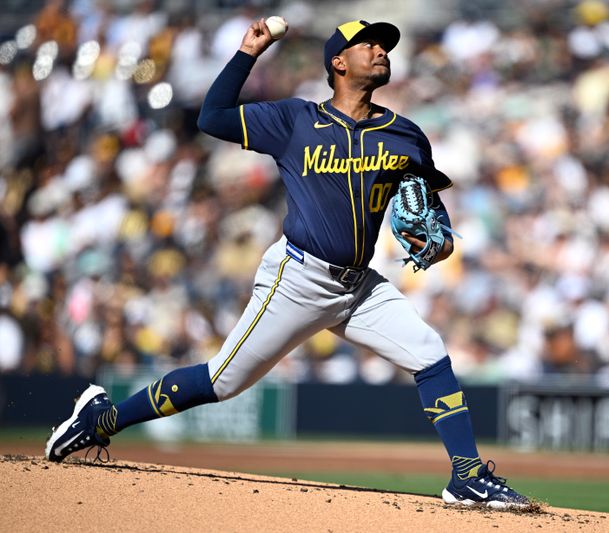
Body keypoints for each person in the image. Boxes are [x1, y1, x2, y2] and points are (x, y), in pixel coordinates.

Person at [44, 17, 530, 509]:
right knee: (222, 381)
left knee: (429, 352)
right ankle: (101, 420)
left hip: (359, 288)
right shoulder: (295, 120)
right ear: (338, 62)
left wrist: (440, 242)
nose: (381, 49)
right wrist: (247, 54)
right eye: (368, 43)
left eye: (384, 44)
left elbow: (430, 218)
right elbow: (212, 116)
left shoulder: (405, 135)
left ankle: (467, 476)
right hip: (298, 278)